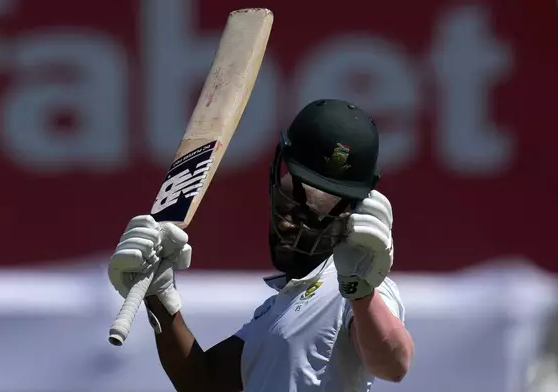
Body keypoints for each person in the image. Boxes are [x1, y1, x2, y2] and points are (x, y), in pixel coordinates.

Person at [108, 99, 415, 392]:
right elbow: (204, 383)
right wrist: (159, 297)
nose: (289, 223)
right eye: (294, 193)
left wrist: (358, 291)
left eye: (320, 203)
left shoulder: (358, 286)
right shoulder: (280, 309)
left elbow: (394, 364)